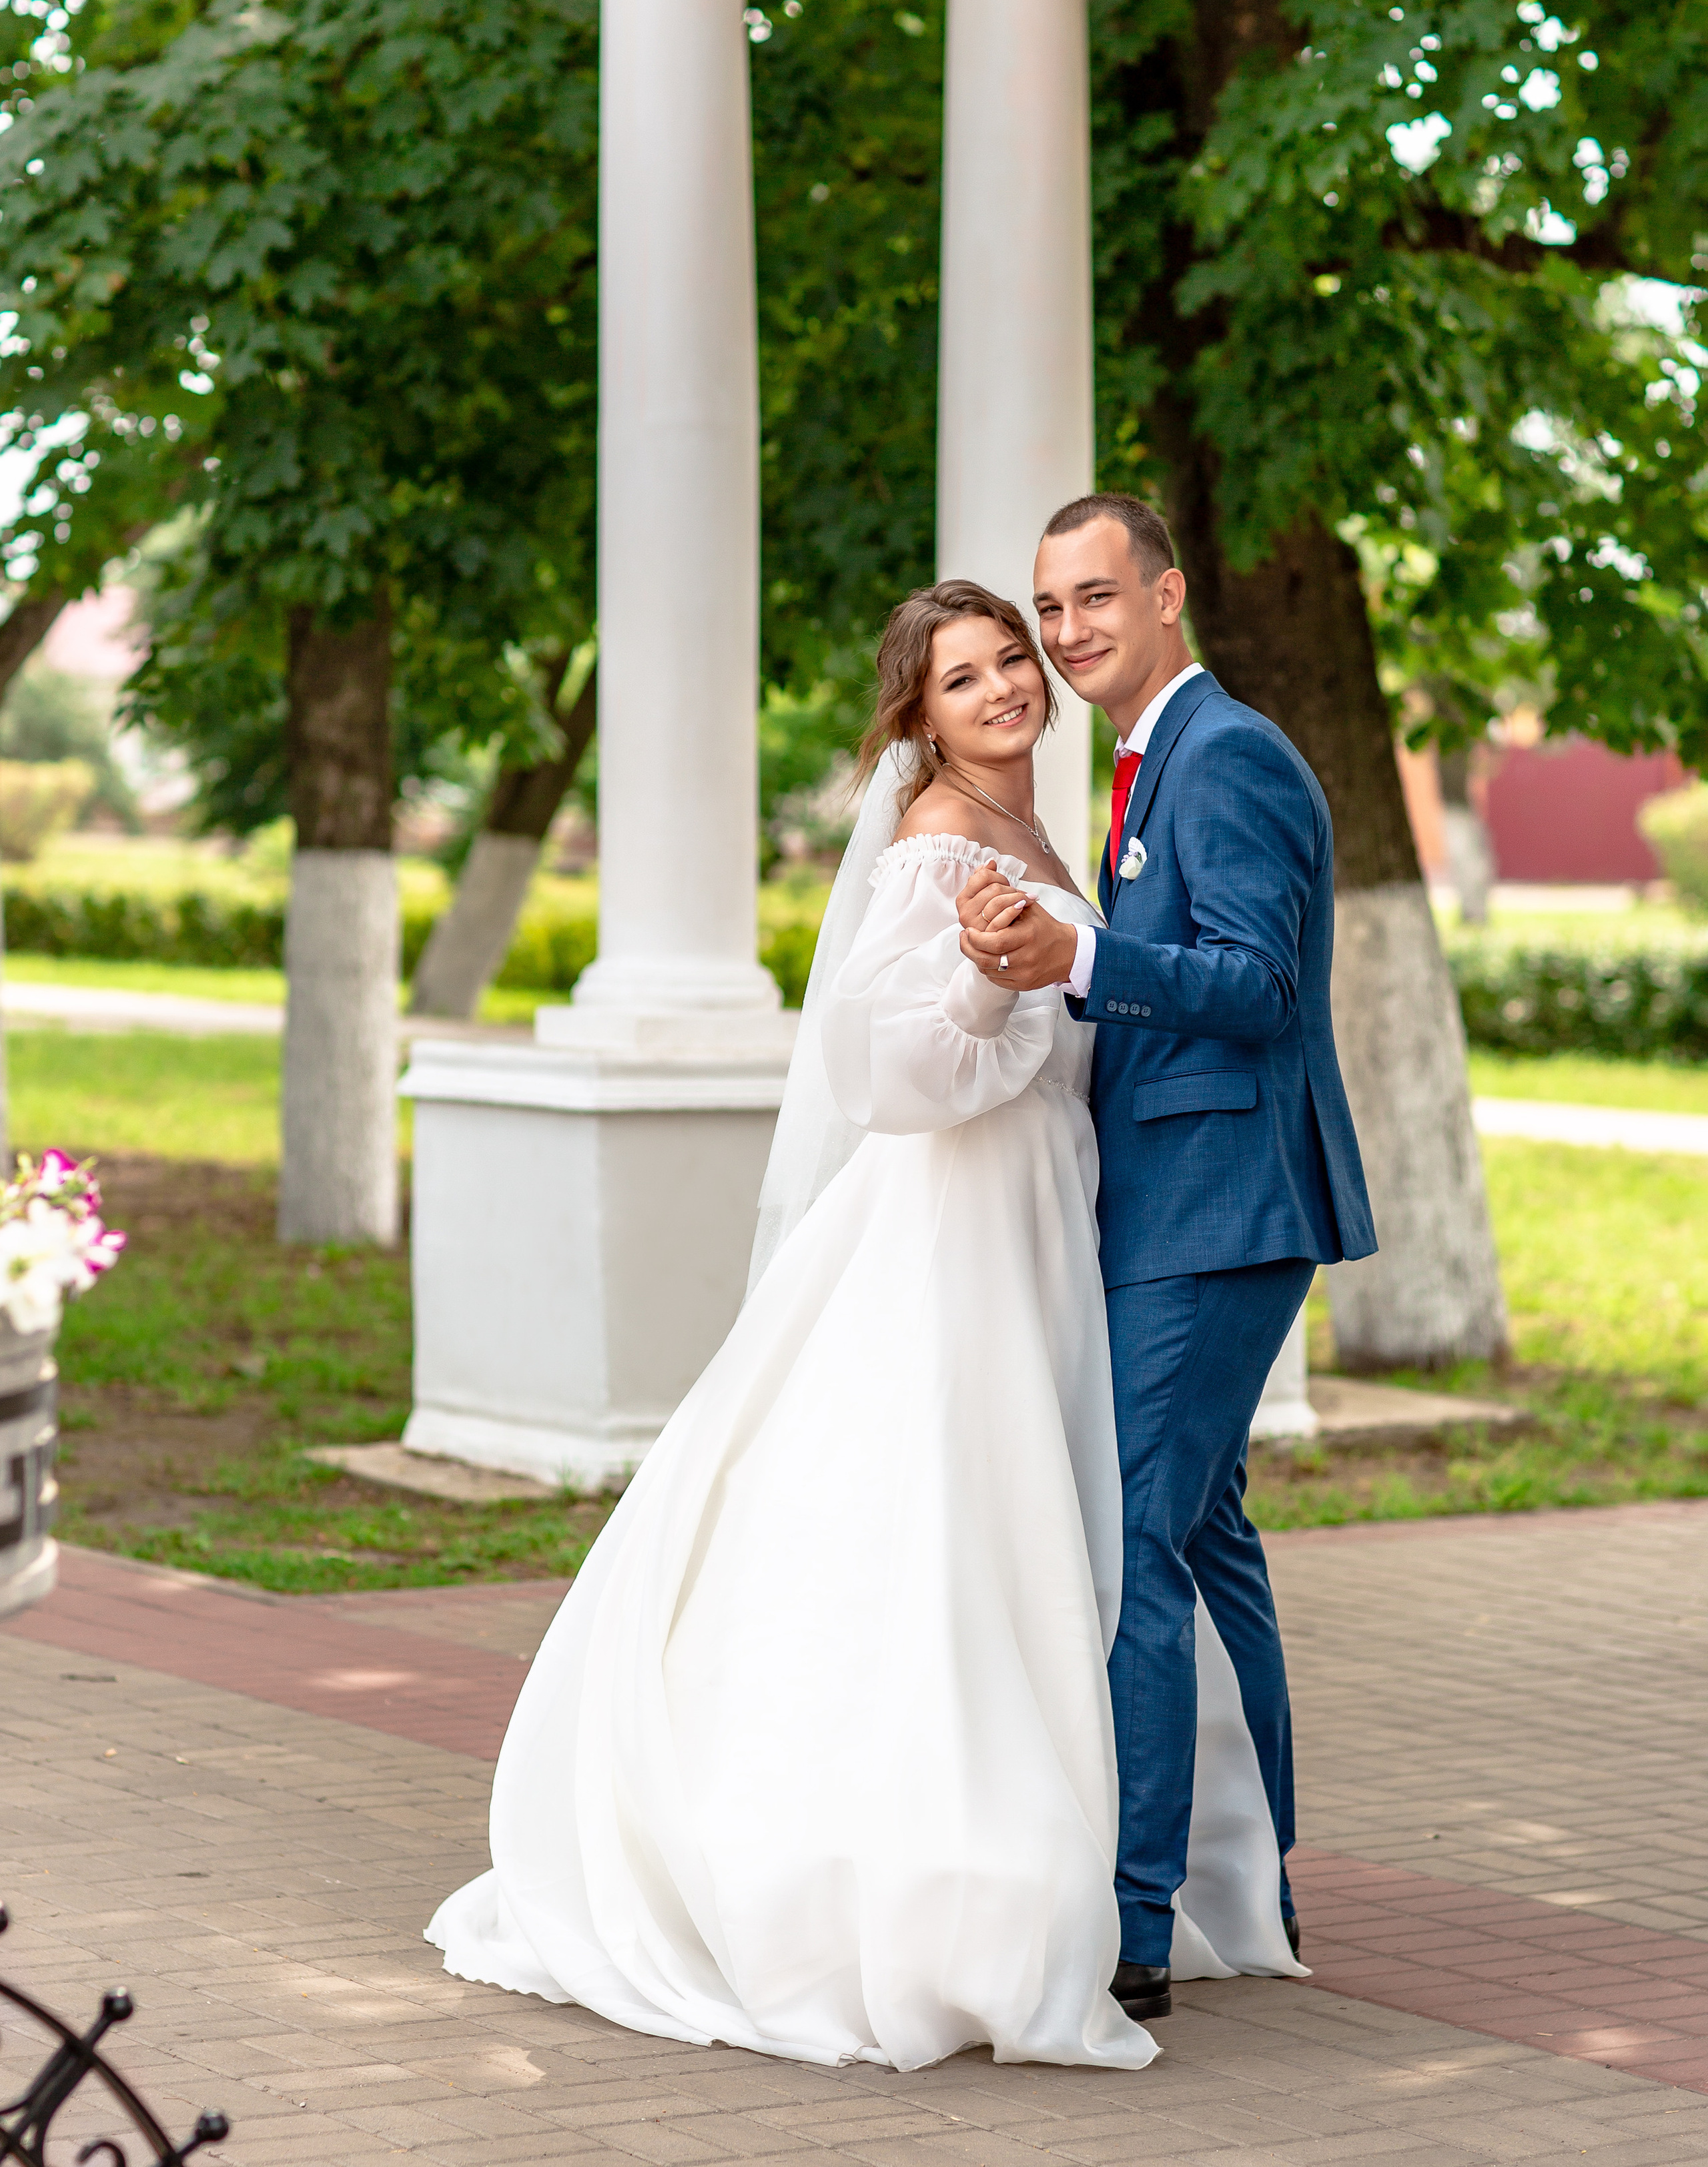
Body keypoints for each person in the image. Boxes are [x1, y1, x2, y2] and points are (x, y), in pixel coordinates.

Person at [427, 576, 1299, 2073]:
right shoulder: (935, 848)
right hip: (954, 1220)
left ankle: (1152, 1865)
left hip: (1053, 1210)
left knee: (1079, 1523)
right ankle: (930, 1880)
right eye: (961, 681)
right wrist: (973, 976)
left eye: (1010, 662)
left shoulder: (1042, 831)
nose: (1003, 691)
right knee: (946, 1522)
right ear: (921, 719)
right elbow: (883, 1072)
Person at [956, 494, 1376, 2024]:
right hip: (1171, 1203)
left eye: (1091, 599)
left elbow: (1259, 989)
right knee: (1204, 1543)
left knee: (1134, 1541)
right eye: (1048, 608)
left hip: (1216, 1208)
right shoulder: (1145, 765)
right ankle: (1242, 1884)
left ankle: (1132, 1929)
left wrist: (1077, 959)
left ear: (1167, 594)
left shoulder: (1229, 754)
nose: (1066, 632)